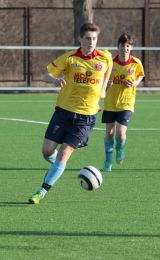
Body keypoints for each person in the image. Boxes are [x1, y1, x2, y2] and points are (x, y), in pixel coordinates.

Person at [28, 23, 112, 204]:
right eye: (88, 38)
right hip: (63, 112)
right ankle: (59, 167)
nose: (91, 42)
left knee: (64, 153)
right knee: (46, 151)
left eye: (95, 39)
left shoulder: (104, 58)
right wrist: (54, 80)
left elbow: (109, 67)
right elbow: (45, 75)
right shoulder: (70, 58)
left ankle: (42, 191)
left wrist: (103, 89)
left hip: (86, 117)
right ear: (80, 39)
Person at [101, 33, 145, 172]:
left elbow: (139, 76)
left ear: (131, 48)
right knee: (109, 132)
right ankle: (108, 161)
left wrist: (134, 83)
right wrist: (107, 84)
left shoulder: (136, 63)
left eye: (127, 46)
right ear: (117, 46)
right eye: (122, 45)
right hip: (110, 103)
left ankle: (120, 147)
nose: (125, 48)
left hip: (126, 102)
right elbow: (102, 80)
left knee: (120, 133)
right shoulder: (110, 63)